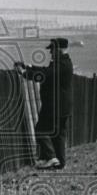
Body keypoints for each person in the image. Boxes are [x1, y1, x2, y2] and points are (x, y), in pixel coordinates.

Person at [15, 37, 74, 169]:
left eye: (52, 50)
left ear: (58, 49)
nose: (51, 53)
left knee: (41, 130)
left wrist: (25, 73)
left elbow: (45, 75)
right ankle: (60, 162)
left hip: (55, 107)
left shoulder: (61, 65)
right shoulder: (65, 63)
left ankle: (51, 157)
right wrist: (30, 66)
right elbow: (47, 71)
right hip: (63, 107)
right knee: (58, 134)